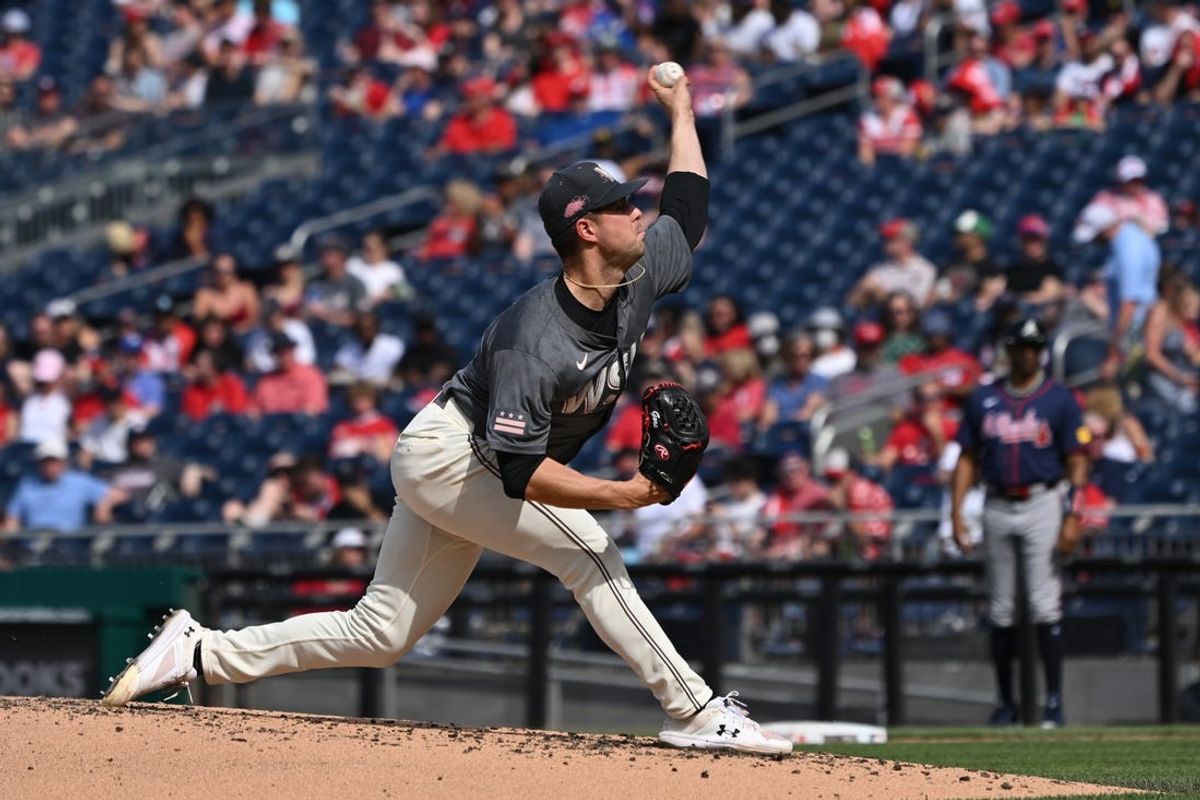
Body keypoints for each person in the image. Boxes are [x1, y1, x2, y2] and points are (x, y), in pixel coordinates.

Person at [103, 67, 791, 756]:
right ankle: (697, 711)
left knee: (382, 633)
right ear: (586, 229)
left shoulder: (636, 273)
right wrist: (625, 494)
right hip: (455, 456)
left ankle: (199, 653)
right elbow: (522, 470)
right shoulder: (536, 337)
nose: (639, 212)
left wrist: (681, 110)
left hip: (468, 460)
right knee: (590, 552)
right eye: (621, 206)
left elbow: (689, 208)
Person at [951, 318, 1091, 728]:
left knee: (1045, 604)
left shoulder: (1058, 399)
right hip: (996, 500)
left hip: (1043, 498)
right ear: (1009, 349)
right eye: (1021, 345)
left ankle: (1052, 704)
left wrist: (1073, 515)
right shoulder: (984, 398)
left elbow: (1078, 461)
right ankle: (1006, 703)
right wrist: (957, 512)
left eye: (1034, 345)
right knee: (1002, 610)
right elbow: (966, 458)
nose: (1027, 352)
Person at [1073, 202, 1162, 379]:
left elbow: (1129, 304)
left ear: (1105, 229)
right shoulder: (1125, 242)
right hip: (1134, 327)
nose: (1094, 241)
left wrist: (1113, 354)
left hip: (1136, 330)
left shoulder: (1129, 248)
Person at [4, 438, 128, 532]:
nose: (51, 466)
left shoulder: (79, 481)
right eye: (47, 461)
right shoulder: (28, 484)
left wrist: (104, 505)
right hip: (33, 547)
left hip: (68, 547)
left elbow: (120, 494)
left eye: (55, 461)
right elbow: (13, 518)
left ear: (63, 462)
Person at [1142, 271, 1200, 413]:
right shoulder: (1159, 312)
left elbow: (1194, 353)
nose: (1196, 312)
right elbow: (1151, 354)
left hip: (1186, 378)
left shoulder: (1185, 322)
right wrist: (1179, 377)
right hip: (1163, 382)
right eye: (1192, 306)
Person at [847, 218, 937, 310]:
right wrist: (862, 292)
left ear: (906, 242)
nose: (885, 243)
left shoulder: (924, 269)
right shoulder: (880, 269)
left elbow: (916, 305)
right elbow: (851, 301)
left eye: (891, 239)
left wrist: (880, 294)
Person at [822, 448, 893, 560]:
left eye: (837, 478)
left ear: (851, 474)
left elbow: (864, 539)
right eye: (830, 479)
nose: (834, 484)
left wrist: (841, 509)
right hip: (855, 551)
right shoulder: (845, 492)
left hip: (875, 555)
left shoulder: (860, 490)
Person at [1087, 155, 1169, 236]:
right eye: (1131, 181)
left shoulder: (1153, 200)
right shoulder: (1105, 198)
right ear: (1120, 180)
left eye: (1138, 181)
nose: (1135, 185)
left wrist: (1138, 222)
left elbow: (1160, 229)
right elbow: (1089, 228)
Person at [758, 332, 827, 429]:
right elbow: (768, 417)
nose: (800, 360)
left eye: (804, 355)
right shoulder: (777, 384)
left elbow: (806, 414)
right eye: (795, 355)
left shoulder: (819, 382)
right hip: (780, 435)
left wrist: (784, 419)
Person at [250, 333, 329, 415]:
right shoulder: (265, 381)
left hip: (301, 424)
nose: (284, 356)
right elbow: (253, 410)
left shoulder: (310, 375)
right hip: (271, 424)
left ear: (293, 351)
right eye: (279, 353)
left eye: (286, 351)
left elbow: (314, 407)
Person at [332, 310, 405, 385]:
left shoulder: (393, 346)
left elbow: (399, 372)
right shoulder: (347, 350)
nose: (365, 333)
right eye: (362, 329)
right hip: (358, 389)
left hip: (385, 387)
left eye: (369, 329)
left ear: (377, 328)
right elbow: (339, 370)